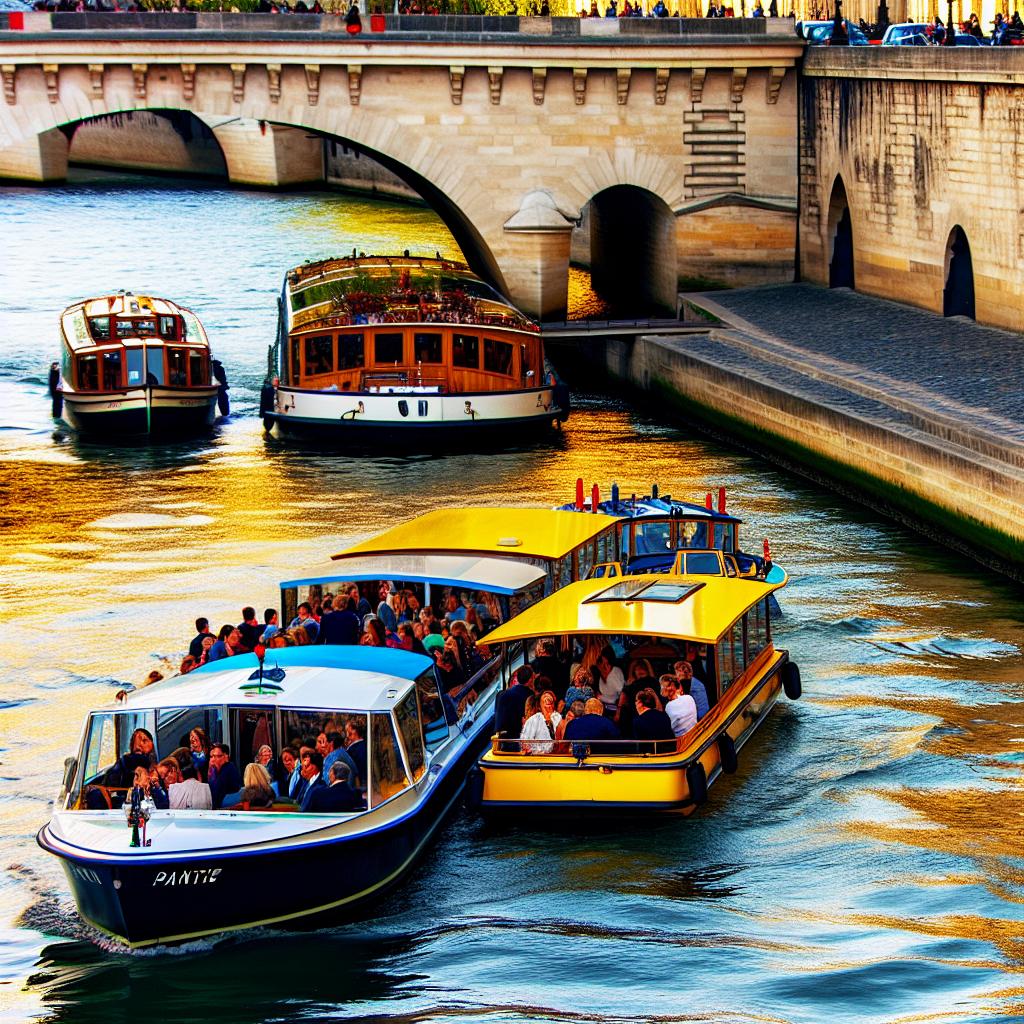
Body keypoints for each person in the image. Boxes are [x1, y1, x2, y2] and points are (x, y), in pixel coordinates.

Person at [494, 665, 535, 749]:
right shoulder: (530, 696)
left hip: (501, 741)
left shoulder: (502, 694)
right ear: (530, 679)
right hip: (519, 741)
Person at [632, 689, 675, 754]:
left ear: (640, 703)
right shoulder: (664, 715)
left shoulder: (638, 721)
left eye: (636, 701)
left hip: (652, 758)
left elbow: (641, 747)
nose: (635, 703)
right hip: (670, 754)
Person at [520, 689, 561, 754]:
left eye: (550, 700)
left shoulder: (559, 718)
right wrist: (539, 751)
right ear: (539, 706)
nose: (547, 700)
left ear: (553, 704)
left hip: (556, 758)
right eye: (544, 699)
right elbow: (525, 743)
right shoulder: (533, 720)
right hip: (538, 759)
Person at [208, 743, 242, 809]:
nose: (214, 759)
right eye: (212, 756)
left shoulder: (229, 768)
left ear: (226, 757)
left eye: (218, 756)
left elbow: (217, 794)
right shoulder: (215, 770)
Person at [595, 645, 625, 718]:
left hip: (616, 712)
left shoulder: (616, 672)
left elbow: (623, 694)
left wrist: (618, 713)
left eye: (606, 663)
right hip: (604, 710)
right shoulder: (599, 674)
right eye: (601, 662)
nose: (603, 666)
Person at [345, 719, 368, 787]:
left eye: (348, 730)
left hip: (361, 780)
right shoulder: (365, 744)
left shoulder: (353, 749)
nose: (347, 733)